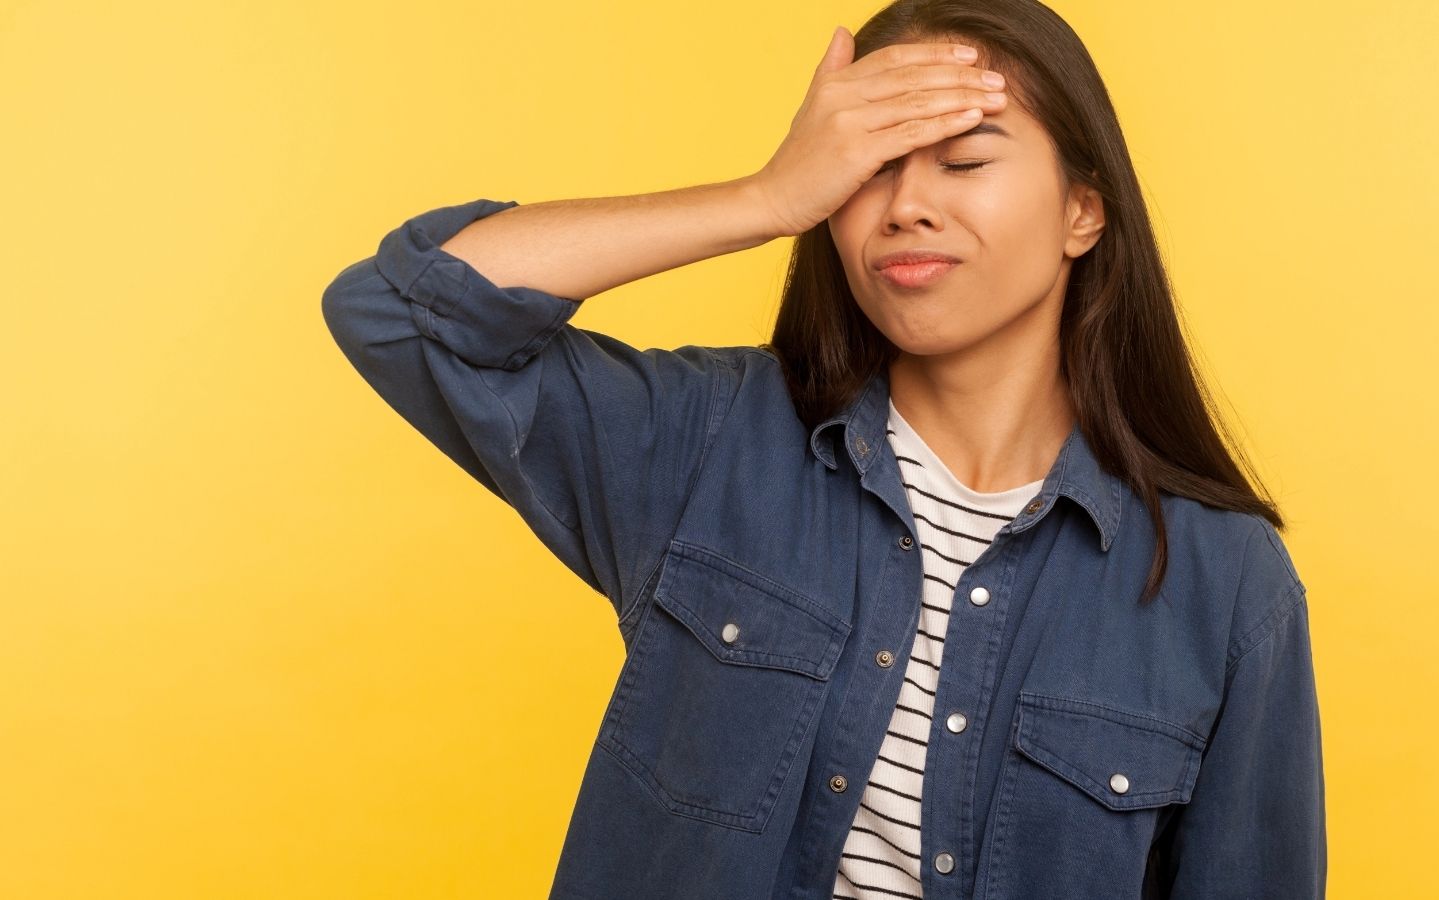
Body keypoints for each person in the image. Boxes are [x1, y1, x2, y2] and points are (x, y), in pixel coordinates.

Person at [320, 1, 1326, 897]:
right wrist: (767, 198)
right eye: (867, 170)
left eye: (964, 161)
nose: (904, 206)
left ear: (1082, 211)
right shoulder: (711, 443)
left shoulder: (1225, 586)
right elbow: (403, 312)